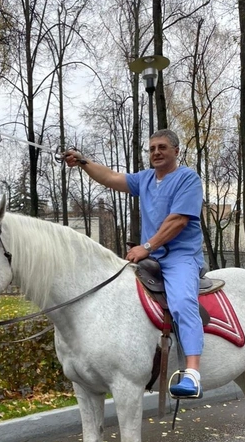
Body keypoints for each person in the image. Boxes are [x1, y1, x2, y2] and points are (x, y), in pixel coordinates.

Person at [64, 129, 204, 398]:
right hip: (149, 258)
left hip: (179, 257)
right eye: (151, 149)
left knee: (184, 301)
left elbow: (178, 221)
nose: (156, 153)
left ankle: (192, 374)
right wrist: (83, 162)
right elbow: (111, 177)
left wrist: (146, 247)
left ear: (176, 151)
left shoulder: (188, 178)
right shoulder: (146, 179)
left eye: (162, 147)